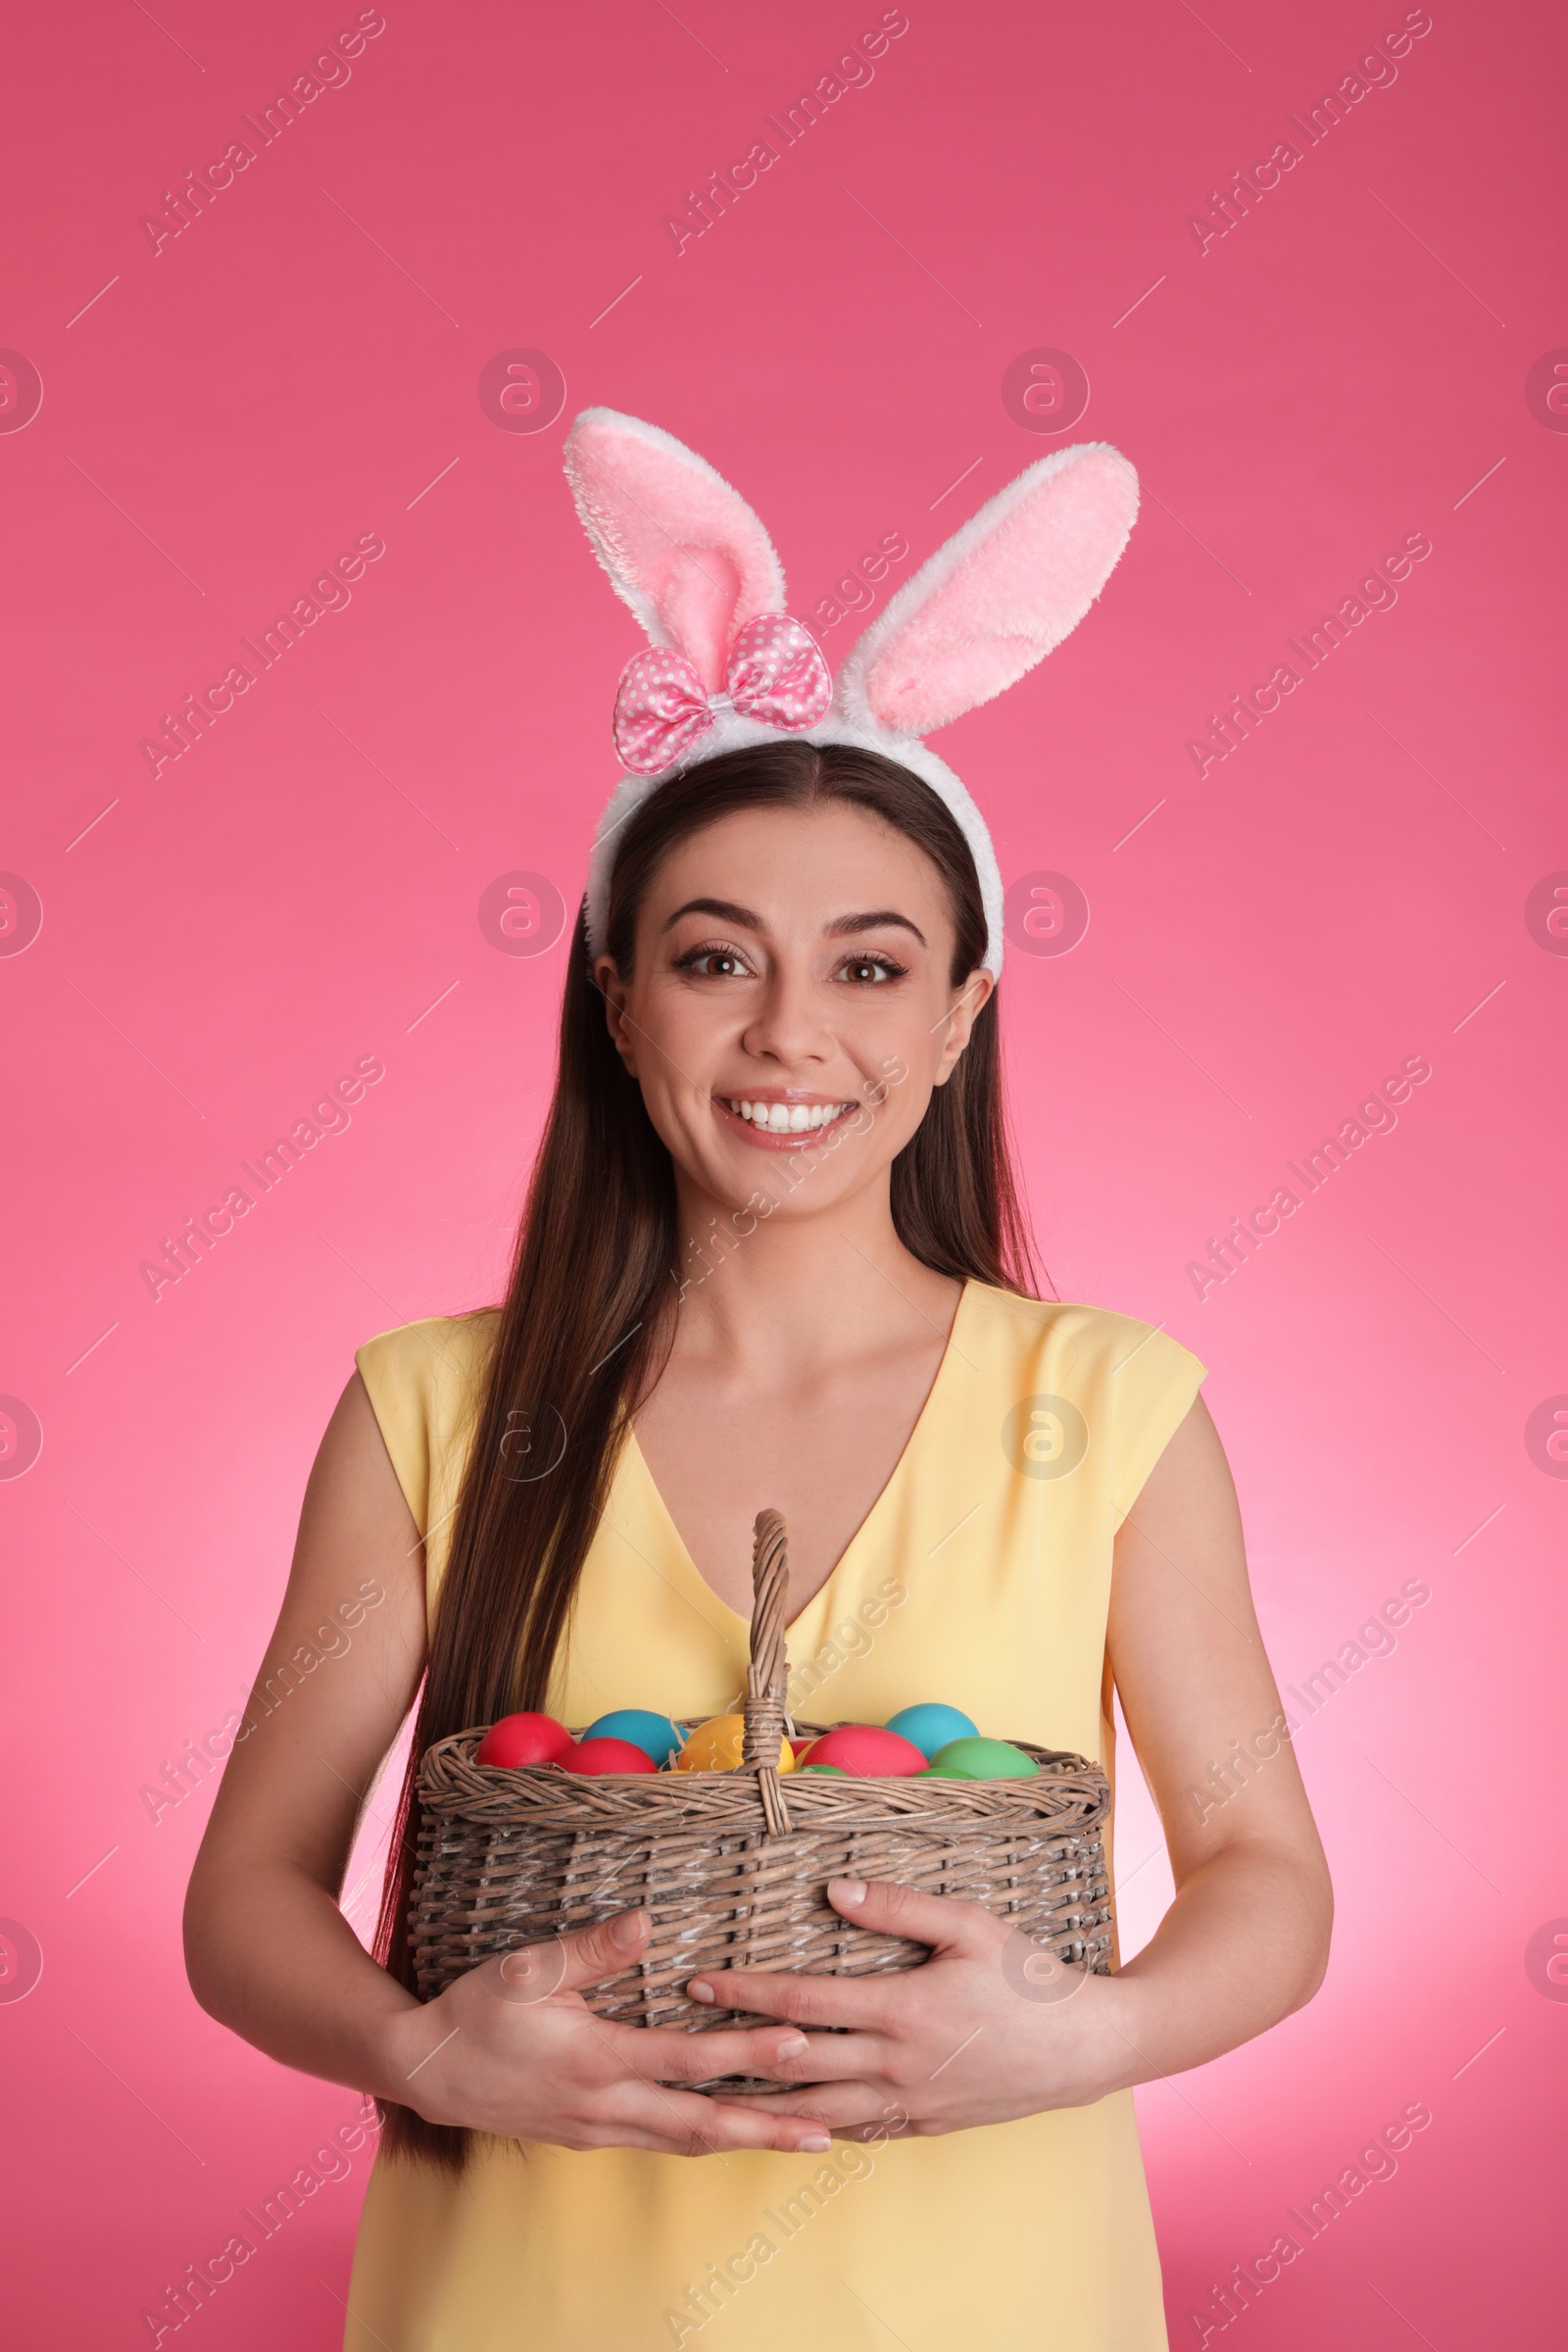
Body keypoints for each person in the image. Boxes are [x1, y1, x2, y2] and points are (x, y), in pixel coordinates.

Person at [184, 413, 1331, 2352]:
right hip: (523, 2300)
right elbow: (246, 1899)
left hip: (987, 2295)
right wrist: (425, 2052)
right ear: (617, 996)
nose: (789, 1029)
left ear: (965, 1014)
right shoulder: (437, 1411)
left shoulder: (1104, 1408)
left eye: (872, 969)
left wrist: (1080, 2038)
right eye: (715, 960)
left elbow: (1262, 1882)